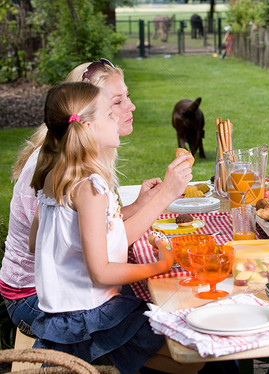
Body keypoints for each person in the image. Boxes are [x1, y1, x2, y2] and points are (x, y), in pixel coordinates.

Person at [0, 58, 190, 336]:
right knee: (172, 318)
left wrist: (138, 205)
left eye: (128, 96)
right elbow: (101, 257)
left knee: (164, 306)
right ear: (86, 117)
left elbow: (76, 228)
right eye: (115, 104)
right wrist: (165, 195)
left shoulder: (65, 158)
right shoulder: (72, 171)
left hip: (65, 294)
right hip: (42, 299)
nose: (130, 107)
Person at [27, 82, 201, 374]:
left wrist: (140, 205)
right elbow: (102, 273)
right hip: (90, 322)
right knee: (191, 351)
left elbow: (38, 243)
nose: (118, 117)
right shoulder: (90, 187)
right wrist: (160, 265)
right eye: (110, 113)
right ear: (89, 127)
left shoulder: (54, 175)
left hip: (63, 318)